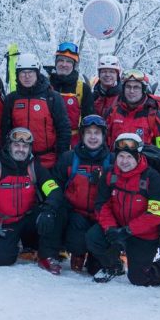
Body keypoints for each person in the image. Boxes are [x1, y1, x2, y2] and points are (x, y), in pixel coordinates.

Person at [86, 133, 160, 285]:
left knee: (139, 278)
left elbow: (156, 214)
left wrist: (127, 231)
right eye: (121, 156)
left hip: (143, 233)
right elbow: (102, 204)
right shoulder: (110, 174)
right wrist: (111, 229)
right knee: (93, 238)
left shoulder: (152, 178)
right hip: (117, 227)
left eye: (129, 157)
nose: (124, 161)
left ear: (138, 157)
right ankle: (114, 266)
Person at [0, 127, 66, 273]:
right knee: (2, 259)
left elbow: (54, 190)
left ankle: (46, 256)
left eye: (25, 146)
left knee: (55, 212)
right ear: (9, 146)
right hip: (5, 221)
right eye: (17, 145)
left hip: (28, 218)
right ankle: (14, 245)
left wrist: (49, 210)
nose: (21, 150)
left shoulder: (34, 167)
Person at [54, 115, 113, 274]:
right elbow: (56, 186)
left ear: (103, 136)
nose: (93, 137)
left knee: (95, 269)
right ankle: (77, 252)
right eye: (88, 133)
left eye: (97, 133)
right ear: (82, 135)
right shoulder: (69, 158)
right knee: (75, 239)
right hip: (76, 215)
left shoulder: (113, 161)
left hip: (101, 217)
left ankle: (96, 255)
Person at [0, 53, 70, 170]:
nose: (27, 76)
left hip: (48, 160)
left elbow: (63, 129)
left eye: (30, 72)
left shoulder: (52, 97)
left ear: (37, 73)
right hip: (20, 160)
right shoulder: (12, 99)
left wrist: (62, 156)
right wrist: (6, 154)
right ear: (17, 75)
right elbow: (5, 130)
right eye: (23, 72)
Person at [105, 70, 160, 150]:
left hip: (145, 162)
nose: (131, 91)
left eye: (136, 87)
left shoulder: (156, 117)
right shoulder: (112, 112)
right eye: (128, 87)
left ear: (143, 90)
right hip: (115, 161)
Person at [46, 42, 93, 147]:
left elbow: (89, 122)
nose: (64, 64)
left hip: (73, 145)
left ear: (74, 65)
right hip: (48, 143)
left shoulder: (83, 89)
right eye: (61, 60)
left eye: (68, 61)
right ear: (56, 63)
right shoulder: (45, 85)